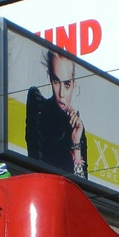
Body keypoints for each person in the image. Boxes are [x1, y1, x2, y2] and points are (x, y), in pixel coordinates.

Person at [25, 49, 87, 178]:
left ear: (75, 85)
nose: (61, 94)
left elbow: (82, 184)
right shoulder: (38, 109)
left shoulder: (77, 128)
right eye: (56, 81)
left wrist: (76, 143)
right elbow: (35, 161)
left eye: (67, 84)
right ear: (50, 79)